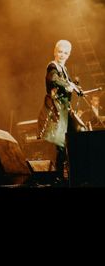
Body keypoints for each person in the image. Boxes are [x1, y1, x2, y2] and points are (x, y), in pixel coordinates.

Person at [37, 39, 82, 185]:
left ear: (69, 55)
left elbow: (69, 82)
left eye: (65, 53)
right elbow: (54, 79)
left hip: (64, 109)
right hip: (56, 109)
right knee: (61, 144)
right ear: (55, 52)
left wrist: (76, 88)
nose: (62, 55)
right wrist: (68, 85)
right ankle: (59, 176)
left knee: (73, 137)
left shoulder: (64, 68)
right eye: (60, 52)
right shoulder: (53, 66)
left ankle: (69, 173)